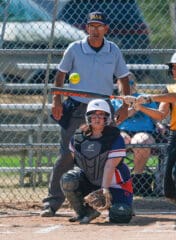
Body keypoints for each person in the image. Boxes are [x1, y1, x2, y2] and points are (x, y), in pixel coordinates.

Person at [41, 11, 130, 217]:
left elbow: (123, 79)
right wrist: (57, 101)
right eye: (92, 26)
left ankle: (114, 201)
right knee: (66, 156)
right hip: (78, 107)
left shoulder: (113, 50)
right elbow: (60, 75)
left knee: (108, 155)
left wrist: (124, 105)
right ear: (86, 28)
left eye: (99, 26)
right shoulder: (75, 48)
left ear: (106, 29)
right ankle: (52, 203)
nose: (95, 30)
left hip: (103, 109)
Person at [123, 50, 176, 228]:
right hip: (174, 139)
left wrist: (148, 97)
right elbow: (160, 115)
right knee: (168, 190)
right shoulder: (168, 89)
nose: (174, 70)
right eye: (173, 67)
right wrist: (139, 105)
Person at [61, 99, 133, 224]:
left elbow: (110, 166)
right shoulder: (77, 138)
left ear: (107, 118)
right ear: (88, 117)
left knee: (121, 215)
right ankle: (84, 212)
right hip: (91, 181)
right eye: (93, 115)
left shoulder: (115, 138)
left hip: (115, 185)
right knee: (68, 179)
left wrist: (104, 189)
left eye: (101, 115)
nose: (97, 118)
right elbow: (78, 163)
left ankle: (120, 205)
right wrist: (77, 193)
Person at [112, 73, 164, 196]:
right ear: (118, 85)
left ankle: (137, 178)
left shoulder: (144, 98)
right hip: (122, 130)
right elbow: (116, 119)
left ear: (135, 85)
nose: (128, 86)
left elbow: (155, 116)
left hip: (144, 131)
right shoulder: (115, 101)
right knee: (121, 140)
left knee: (141, 142)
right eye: (124, 83)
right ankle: (119, 177)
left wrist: (159, 125)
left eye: (131, 83)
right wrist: (135, 108)